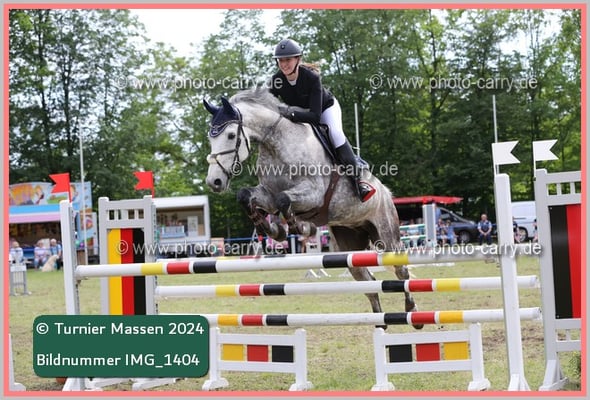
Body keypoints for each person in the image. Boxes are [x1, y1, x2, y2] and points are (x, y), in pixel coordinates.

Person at [268, 38, 375, 202]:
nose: (284, 64)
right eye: (280, 60)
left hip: (324, 109)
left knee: (335, 133)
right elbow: (267, 102)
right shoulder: (277, 80)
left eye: (288, 60)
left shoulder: (312, 78)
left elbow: (315, 117)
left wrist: (289, 113)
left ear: (298, 59)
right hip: (298, 114)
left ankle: (358, 181)